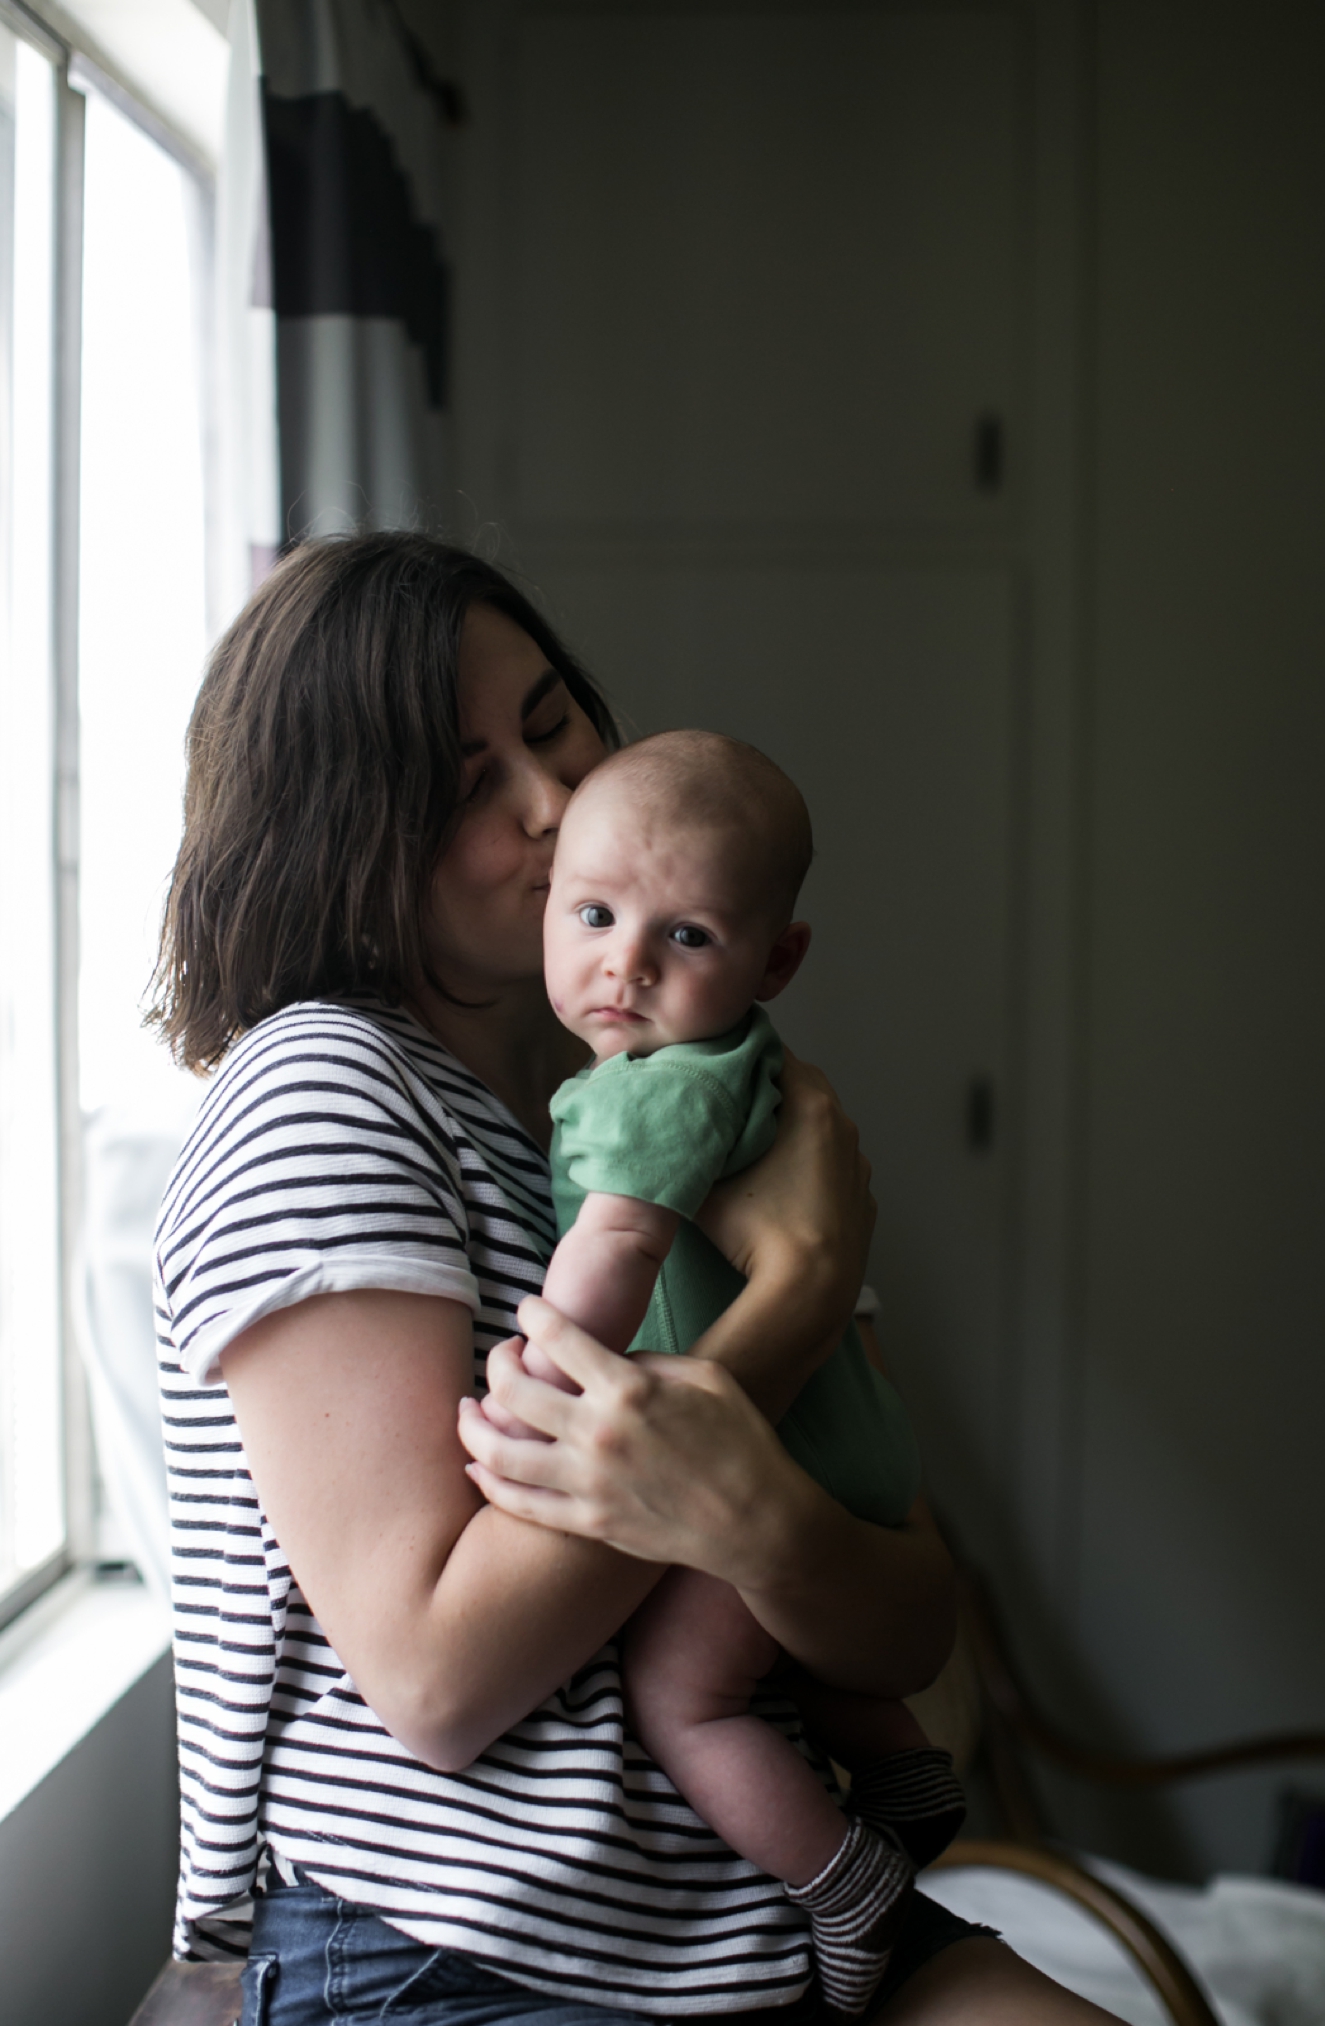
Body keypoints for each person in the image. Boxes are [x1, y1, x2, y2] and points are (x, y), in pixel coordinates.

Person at [151, 530, 1124, 2026]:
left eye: (549, 722)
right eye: (471, 783)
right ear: (346, 834)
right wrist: (796, 1294)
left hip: (770, 1918)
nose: (550, 801)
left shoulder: (664, 1078)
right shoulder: (321, 1088)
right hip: (465, 1956)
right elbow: (436, 1674)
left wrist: (755, 1466)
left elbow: (909, 1618)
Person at [503, 729, 965, 2018]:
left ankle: (842, 1883)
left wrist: (532, 1386)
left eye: (687, 935)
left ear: (777, 959)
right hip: (841, 1437)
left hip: (772, 1449)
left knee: (684, 1697)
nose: (627, 961)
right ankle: (898, 1761)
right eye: (594, 913)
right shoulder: (753, 1070)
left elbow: (609, 1260)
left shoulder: (645, 1089)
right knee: (768, 1651)